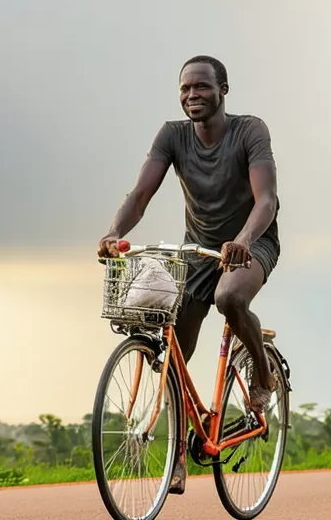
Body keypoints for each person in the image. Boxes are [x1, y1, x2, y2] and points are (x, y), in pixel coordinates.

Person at [96, 55, 281, 494]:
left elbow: (267, 200)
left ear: (223, 90)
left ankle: (262, 375)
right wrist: (114, 232)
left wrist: (243, 240)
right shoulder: (172, 136)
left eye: (201, 87)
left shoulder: (250, 131)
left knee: (230, 299)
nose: (192, 95)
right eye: (185, 89)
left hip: (251, 244)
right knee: (174, 348)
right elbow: (141, 194)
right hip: (197, 252)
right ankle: (177, 460)